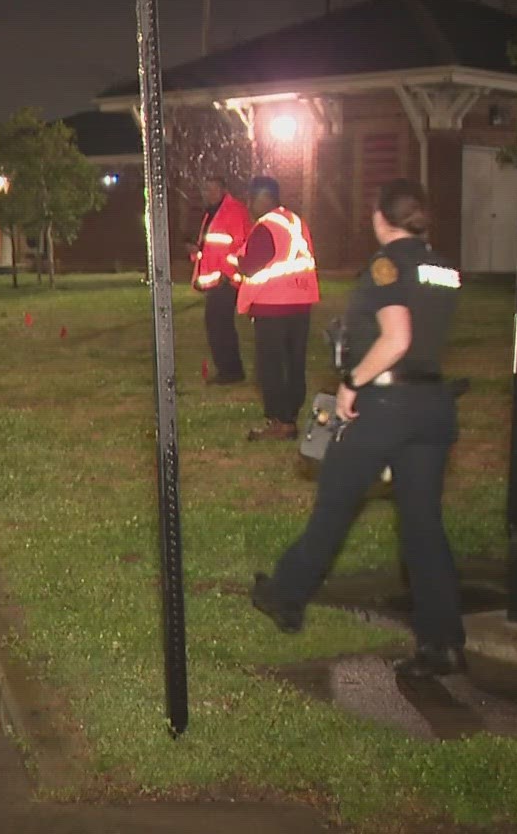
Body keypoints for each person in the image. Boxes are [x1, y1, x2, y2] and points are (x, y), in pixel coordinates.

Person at [250, 178, 468, 679]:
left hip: (387, 404)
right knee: (423, 528)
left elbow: (397, 337)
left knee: (335, 502)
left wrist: (351, 382)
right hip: (435, 406)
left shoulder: (385, 266)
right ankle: (443, 642)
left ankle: (286, 596)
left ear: (380, 217)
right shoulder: (444, 269)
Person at [235, 176, 319, 441]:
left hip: (273, 307)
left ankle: (279, 421)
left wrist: (238, 260)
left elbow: (251, 266)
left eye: (251, 199)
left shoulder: (266, 227)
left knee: (271, 366)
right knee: (294, 363)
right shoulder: (296, 222)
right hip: (300, 302)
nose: (249, 205)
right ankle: (290, 417)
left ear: (262, 198)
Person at [190, 173, 251, 384]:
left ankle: (231, 371)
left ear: (223, 189)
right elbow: (211, 247)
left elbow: (240, 247)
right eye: (206, 189)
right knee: (218, 325)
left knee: (220, 325)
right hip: (217, 280)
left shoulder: (232, 211)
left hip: (225, 281)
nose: (208, 194)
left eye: (213, 189)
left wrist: (229, 275)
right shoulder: (213, 213)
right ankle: (229, 369)